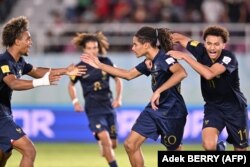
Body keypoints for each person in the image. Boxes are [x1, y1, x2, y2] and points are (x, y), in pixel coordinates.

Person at [82, 26, 188, 167]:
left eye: (135, 44)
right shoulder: (149, 61)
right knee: (130, 145)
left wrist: (158, 91)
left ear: (145, 45)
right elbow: (128, 75)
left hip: (172, 111)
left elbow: (181, 73)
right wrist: (100, 65)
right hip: (154, 109)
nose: (132, 48)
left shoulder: (164, 58)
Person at [0, 16, 86, 167]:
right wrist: (42, 82)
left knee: (4, 153)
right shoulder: (3, 61)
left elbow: (37, 71)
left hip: (5, 112)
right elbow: (13, 83)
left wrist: (65, 71)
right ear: (16, 40)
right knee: (29, 150)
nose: (31, 42)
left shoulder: (19, 62)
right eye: (28, 39)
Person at [169, 25, 248, 151]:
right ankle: (220, 148)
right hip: (213, 107)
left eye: (217, 44)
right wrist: (160, 37)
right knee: (208, 145)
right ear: (204, 44)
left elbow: (209, 74)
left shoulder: (229, 58)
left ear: (223, 45)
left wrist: (185, 56)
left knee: (240, 150)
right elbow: (180, 38)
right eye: (209, 43)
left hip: (235, 108)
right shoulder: (200, 49)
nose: (212, 47)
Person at [67, 32, 123, 167]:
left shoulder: (106, 62)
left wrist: (118, 98)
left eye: (95, 47)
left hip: (108, 106)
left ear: (98, 48)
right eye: (89, 48)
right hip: (93, 108)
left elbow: (118, 79)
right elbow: (71, 85)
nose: (92, 51)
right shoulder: (79, 68)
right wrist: (75, 102)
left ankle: (101, 141)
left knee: (113, 145)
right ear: (84, 50)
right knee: (106, 140)